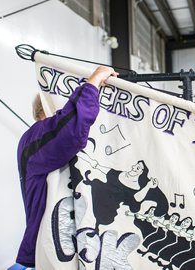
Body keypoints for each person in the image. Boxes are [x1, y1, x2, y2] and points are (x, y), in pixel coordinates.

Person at [13, 66, 118, 268]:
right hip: (51, 253)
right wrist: (94, 80)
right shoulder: (37, 135)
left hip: (66, 248)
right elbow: (71, 131)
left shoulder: (37, 138)